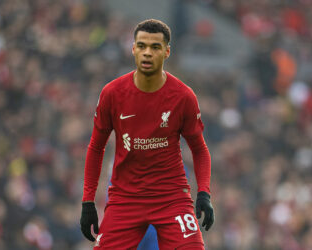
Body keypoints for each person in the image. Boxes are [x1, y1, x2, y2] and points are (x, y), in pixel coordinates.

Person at [80, 19, 214, 249]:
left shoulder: (183, 96)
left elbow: (199, 149)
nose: (147, 53)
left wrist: (204, 193)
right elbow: (96, 147)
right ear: (133, 49)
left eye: (155, 47)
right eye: (141, 46)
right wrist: (88, 201)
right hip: (125, 199)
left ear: (167, 51)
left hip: (171, 198)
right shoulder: (112, 93)